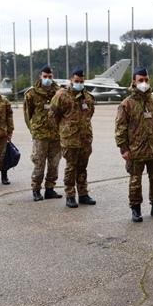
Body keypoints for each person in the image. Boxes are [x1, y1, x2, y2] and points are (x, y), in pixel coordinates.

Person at [115, 66, 153, 222]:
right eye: (141, 80)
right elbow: (120, 129)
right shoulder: (127, 104)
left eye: (146, 80)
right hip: (136, 150)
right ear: (134, 82)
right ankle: (136, 209)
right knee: (135, 181)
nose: (144, 83)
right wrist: (124, 149)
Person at [49, 67, 96, 208]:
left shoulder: (88, 97)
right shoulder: (61, 96)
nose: (79, 83)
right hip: (70, 140)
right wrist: (65, 130)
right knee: (71, 168)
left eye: (81, 81)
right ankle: (70, 195)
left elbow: (90, 114)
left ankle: (83, 194)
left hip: (85, 139)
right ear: (71, 80)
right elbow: (53, 117)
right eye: (76, 81)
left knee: (83, 168)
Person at [23, 65, 63, 201]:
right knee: (39, 163)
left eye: (50, 77)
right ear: (40, 76)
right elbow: (27, 115)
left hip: (56, 135)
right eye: (45, 76)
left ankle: (50, 189)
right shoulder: (32, 94)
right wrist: (33, 131)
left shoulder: (59, 93)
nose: (47, 79)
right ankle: (36, 189)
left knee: (54, 164)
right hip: (40, 135)